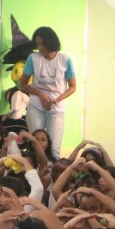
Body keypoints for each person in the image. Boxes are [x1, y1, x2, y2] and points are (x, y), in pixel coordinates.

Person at [19, 26, 76, 158]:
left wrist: (57, 99)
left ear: (51, 42)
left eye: (42, 44)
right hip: (36, 106)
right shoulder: (33, 58)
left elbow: (73, 86)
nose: (39, 47)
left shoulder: (65, 59)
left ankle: (53, 176)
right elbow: (23, 85)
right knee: (35, 145)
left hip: (56, 108)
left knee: (54, 149)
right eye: (37, 44)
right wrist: (40, 94)